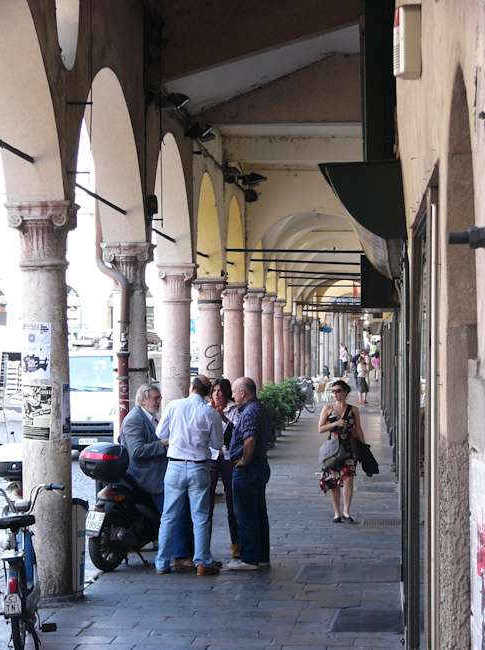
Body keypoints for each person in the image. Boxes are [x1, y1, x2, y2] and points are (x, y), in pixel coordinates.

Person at [119, 383, 194, 572]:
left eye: (159, 398)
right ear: (144, 399)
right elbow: (136, 451)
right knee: (174, 512)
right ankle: (180, 556)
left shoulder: (149, 417)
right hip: (148, 475)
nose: (159, 401)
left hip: (159, 470)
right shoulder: (134, 419)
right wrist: (163, 444)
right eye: (156, 398)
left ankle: (181, 553)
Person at [154, 375, 223, 576]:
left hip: (174, 466)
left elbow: (160, 434)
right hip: (199, 467)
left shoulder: (174, 406)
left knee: (168, 516)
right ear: (208, 392)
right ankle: (202, 562)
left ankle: (162, 563)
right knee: (200, 516)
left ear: (192, 387)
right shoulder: (210, 413)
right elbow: (217, 444)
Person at [227, 377, 270, 571]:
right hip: (258, 468)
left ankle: (249, 558)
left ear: (244, 393)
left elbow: (250, 439)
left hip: (248, 470)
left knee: (245, 514)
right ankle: (261, 556)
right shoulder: (255, 408)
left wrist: (243, 461)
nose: (233, 396)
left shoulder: (250, 412)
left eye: (235, 392)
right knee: (258, 512)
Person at [318, 380, 365, 523]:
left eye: (338, 391)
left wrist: (364, 447)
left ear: (345, 392)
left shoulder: (353, 410)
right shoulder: (328, 408)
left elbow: (358, 429)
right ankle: (336, 512)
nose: (335, 394)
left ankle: (346, 511)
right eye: (333, 391)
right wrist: (335, 423)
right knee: (333, 481)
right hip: (333, 449)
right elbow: (320, 428)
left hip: (349, 448)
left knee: (349, 479)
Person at [208, 378, 239, 557]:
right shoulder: (207, 408)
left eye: (221, 391)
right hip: (211, 457)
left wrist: (222, 417)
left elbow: (236, 431)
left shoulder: (234, 409)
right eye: (214, 391)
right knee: (207, 503)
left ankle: (236, 543)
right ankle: (204, 546)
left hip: (228, 458)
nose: (218, 394)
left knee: (231, 502)